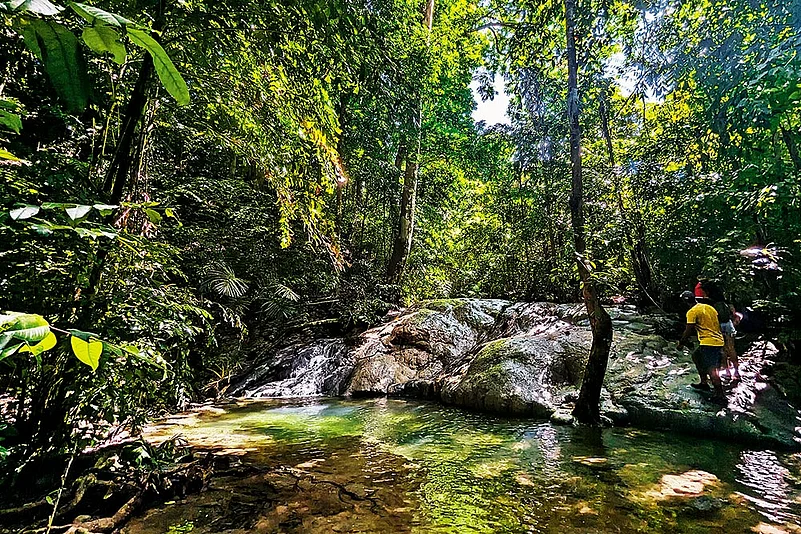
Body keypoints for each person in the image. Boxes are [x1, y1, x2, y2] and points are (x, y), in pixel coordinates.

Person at [677, 281, 726, 403]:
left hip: (709, 343)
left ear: (685, 302)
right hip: (718, 340)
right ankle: (704, 382)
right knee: (696, 356)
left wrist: (681, 343)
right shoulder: (709, 307)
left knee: (712, 369)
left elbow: (688, 330)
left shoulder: (692, 312)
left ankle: (720, 396)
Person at [703, 281, 741, 381]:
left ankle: (728, 372)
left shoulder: (709, 301)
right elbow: (732, 311)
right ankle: (737, 372)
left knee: (722, 350)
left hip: (718, 326)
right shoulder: (723, 299)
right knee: (731, 349)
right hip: (728, 325)